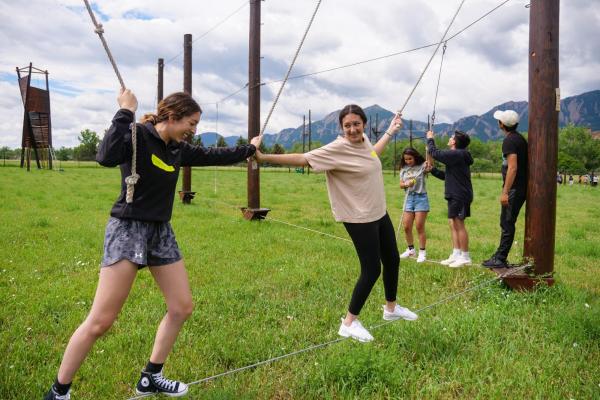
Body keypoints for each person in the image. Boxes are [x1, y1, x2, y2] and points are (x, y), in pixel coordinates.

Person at [44, 89, 257, 400]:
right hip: (128, 228)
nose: (193, 130)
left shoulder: (178, 149)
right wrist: (125, 111)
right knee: (101, 321)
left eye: (196, 125)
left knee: (182, 307)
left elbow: (216, 155)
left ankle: (151, 377)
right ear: (171, 116)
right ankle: (58, 392)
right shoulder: (137, 134)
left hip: (160, 231)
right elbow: (105, 156)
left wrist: (250, 149)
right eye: (191, 123)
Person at [252, 105, 417, 343]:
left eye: (356, 124)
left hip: (378, 212)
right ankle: (349, 323)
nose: (352, 129)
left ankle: (391, 308)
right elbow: (303, 159)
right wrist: (263, 157)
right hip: (357, 216)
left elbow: (372, 155)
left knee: (391, 259)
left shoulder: (364, 142)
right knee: (372, 269)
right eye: (347, 125)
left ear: (364, 125)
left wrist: (391, 131)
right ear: (341, 127)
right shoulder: (337, 148)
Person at [482, 110, 528, 269]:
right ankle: (499, 255)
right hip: (519, 188)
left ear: (502, 124)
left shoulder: (509, 141)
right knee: (506, 222)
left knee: (507, 222)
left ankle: (500, 258)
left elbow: (512, 168)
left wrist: (505, 192)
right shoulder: (519, 138)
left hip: (514, 189)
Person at [426, 129, 473, 268]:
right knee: (453, 224)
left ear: (454, 142)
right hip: (454, 194)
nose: (450, 138)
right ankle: (456, 253)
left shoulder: (457, 154)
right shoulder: (457, 156)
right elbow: (447, 176)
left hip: (460, 195)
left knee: (459, 225)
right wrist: (432, 170)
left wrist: (430, 139)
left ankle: (465, 257)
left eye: (451, 137)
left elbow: (435, 153)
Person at [398, 148, 430, 263]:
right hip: (408, 198)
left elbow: (429, 165)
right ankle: (411, 250)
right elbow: (401, 184)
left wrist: (429, 151)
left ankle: (422, 252)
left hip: (420, 198)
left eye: (410, 159)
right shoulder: (403, 169)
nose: (408, 161)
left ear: (415, 157)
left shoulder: (422, 166)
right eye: (406, 159)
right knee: (406, 226)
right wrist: (407, 183)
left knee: (419, 226)